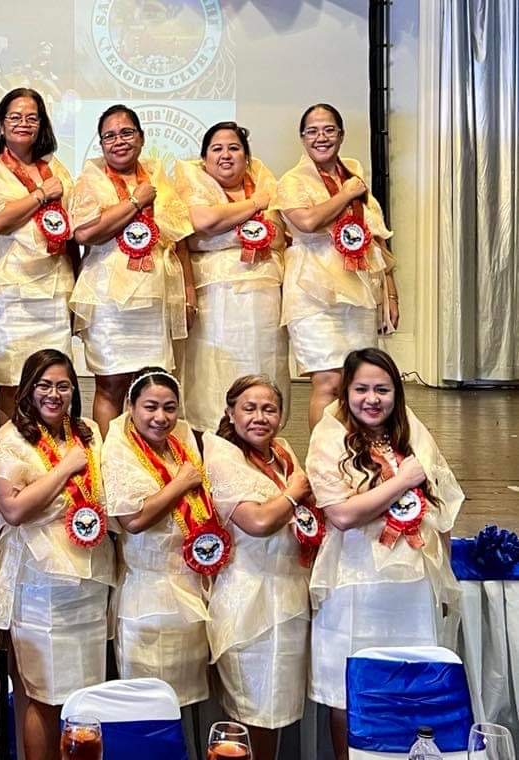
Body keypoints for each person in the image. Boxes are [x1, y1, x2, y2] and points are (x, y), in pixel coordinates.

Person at [305, 348, 462, 758]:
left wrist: (442, 575)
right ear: (345, 392)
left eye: (382, 389)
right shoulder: (327, 436)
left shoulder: (409, 431)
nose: (372, 399)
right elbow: (340, 514)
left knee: (412, 681)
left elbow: (441, 504)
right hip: (354, 582)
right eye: (361, 389)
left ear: (396, 393)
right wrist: (401, 480)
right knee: (349, 689)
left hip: (412, 585)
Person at [0, 349, 112, 760]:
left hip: (88, 573)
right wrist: (64, 469)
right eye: (45, 385)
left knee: (83, 698)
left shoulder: (86, 431)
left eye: (63, 385)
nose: (54, 394)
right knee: (45, 694)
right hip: (38, 581)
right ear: (28, 389)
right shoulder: (9, 440)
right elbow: (13, 509)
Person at [203, 375, 315, 760]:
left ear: (282, 416)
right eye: (249, 408)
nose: (259, 417)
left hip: (287, 598)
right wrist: (294, 492)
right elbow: (259, 521)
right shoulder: (220, 454)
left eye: (269, 409)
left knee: (275, 714)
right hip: (247, 604)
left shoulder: (282, 452)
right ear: (230, 412)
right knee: (251, 714)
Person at [102, 368, 225, 710]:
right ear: (131, 406)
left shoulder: (180, 445)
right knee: (149, 707)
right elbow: (134, 519)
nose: (161, 417)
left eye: (169, 408)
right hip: (148, 597)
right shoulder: (120, 449)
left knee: (186, 705)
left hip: (189, 588)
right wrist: (181, 484)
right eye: (150, 407)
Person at [69, 105, 194, 435]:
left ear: (141, 137)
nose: (118, 141)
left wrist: (190, 296)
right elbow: (85, 232)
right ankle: (109, 461)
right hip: (109, 300)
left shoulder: (159, 180)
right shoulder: (89, 180)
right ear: (101, 144)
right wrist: (136, 203)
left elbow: (179, 241)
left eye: (126, 133)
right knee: (110, 384)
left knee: (152, 385)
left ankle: (147, 459)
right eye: (109, 136)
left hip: (155, 300)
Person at [275, 104, 400, 429]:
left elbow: (375, 236)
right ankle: (322, 462)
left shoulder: (353, 177)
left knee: (355, 380)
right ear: (302, 137)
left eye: (329, 130)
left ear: (341, 135)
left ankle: (351, 455)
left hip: (357, 292)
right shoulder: (292, 181)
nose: (321, 137)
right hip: (313, 293)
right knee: (328, 380)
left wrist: (391, 292)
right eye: (313, 131)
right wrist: (345, 195)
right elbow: (307, 222)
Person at [173, 122, 289, 432]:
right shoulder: (194, 183)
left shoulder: (264, 181)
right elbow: (202, 221)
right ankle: (212, 438)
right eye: (217, 149)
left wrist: (217, 232)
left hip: (263, 295)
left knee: (263, 364)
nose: (226, 155)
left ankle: (261, 436)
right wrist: (253, 208)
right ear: (205, 158)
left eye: (234, 148)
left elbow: (276, 236)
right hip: (213, 296)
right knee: (213, 369)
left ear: (246, 157)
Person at [0, 88, 76, 424]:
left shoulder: (55, 167)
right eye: (15, 117)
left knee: (55, 383)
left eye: (32, 117)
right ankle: (11, 461)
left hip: (55, 290)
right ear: (1, 125)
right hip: (10, 292)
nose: (23, 123)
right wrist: (41, 195)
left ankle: (51, 460)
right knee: (12, 381)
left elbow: (70, 229)